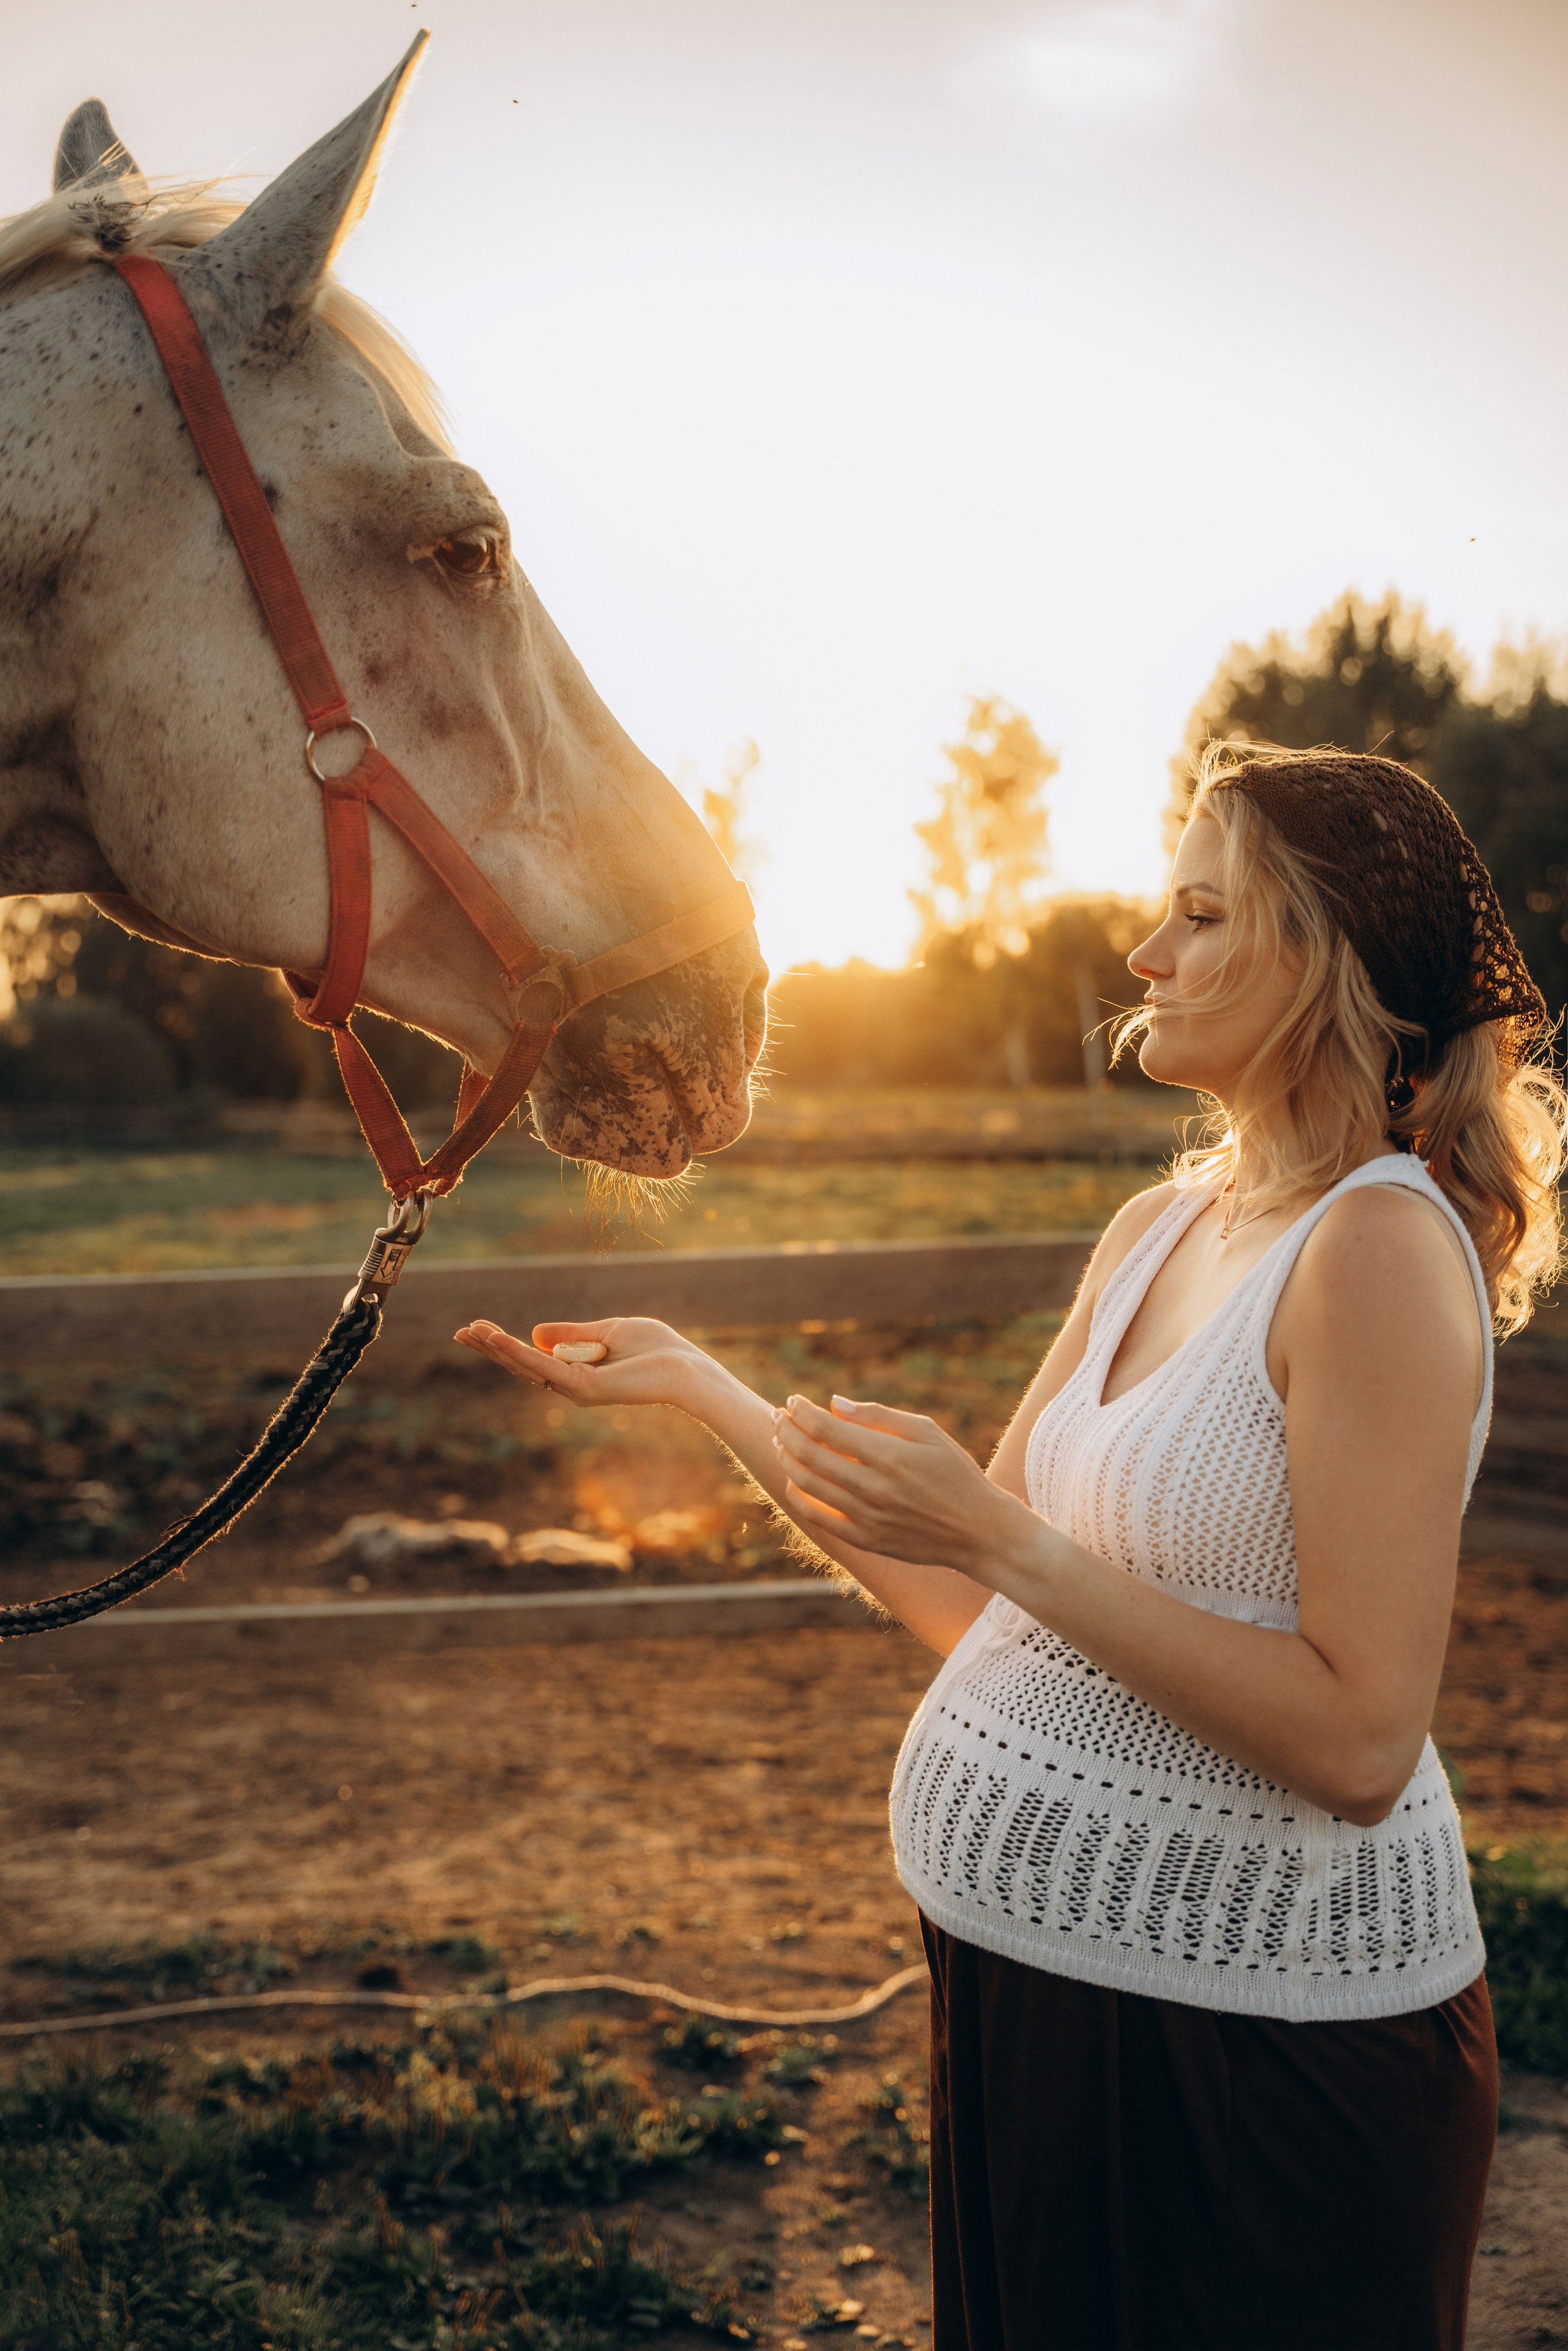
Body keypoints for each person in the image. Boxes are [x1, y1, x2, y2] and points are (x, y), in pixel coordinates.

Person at [456, 745, 1565, 2351]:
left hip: (1252, 2055)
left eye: (1200, 915)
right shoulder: (1160, 1230)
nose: (1142, 955)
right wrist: (709, 1393)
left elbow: (1361, 1737)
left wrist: (1008, 1542)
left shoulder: (1380, 1249)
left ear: (1324, 961)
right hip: (1036, 1996)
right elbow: (971, 1596)